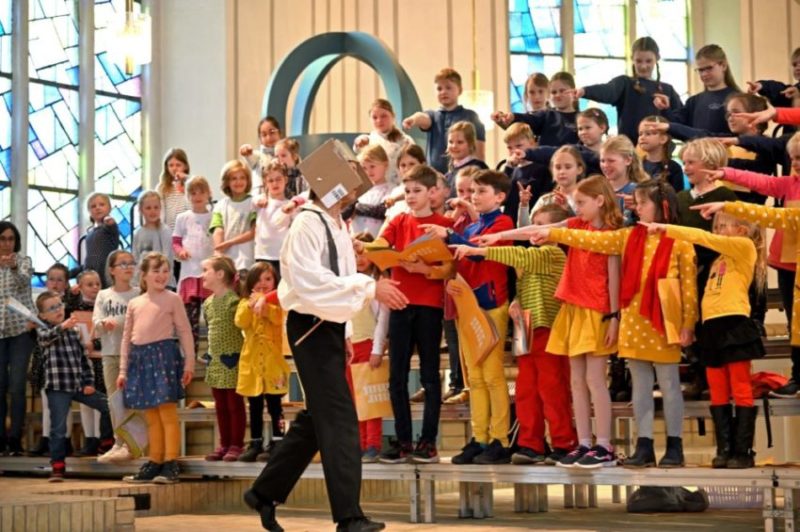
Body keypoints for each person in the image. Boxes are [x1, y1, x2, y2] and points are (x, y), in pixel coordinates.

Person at [243, 168, 408, 532]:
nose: (352, 193)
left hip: (329, 327)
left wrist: (346, 329)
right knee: (340, 419)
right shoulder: (306, 223)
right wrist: (369, 288)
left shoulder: (335, 224)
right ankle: (349, 517)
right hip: (310, 328)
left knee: (318, 420)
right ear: (329, 187)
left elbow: (337, 274)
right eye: (347, 186)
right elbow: (309, 281)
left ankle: (264, 492)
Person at [538, 181, 698, 468]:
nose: (636, 208)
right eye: (635, 202)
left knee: (670, 385)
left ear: (662, 206)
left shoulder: (681, 241)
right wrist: (549, 231)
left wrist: (688, 323)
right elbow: (593, 241)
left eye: (642, 203)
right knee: (640, 386)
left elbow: (688, 287)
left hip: (664, 322)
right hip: (634, 320)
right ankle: (644, 443)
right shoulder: (628, 236)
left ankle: (675, 444)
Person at [651, 200, 768, 469]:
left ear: (741, 230)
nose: (717, 231)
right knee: (717, 390)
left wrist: (668, 228)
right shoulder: (718, 260)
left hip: (734, 325)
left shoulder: (744, 247)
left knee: (740, 388)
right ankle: (724, 449)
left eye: (723, 226)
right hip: (712, 328)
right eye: (716, 226)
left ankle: (742, 450)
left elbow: (701, 237)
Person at [459, 203, 578, 465]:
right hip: (526, 329)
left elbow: (520, 257)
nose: (535, 232)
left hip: (547, 330)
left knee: (552, 389)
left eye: (541, 226)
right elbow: (525, 283)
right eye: (532, 226)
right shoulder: (535, 257)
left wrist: (481, 250)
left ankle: (563, 442)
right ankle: (531, 443)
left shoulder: (553, 254)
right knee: (526, 390)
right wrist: (515, 300)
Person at [355, 164, 453, 465]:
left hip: (429, 305)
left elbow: (451, 267)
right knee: (396, 375)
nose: (411, 197)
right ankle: (404, 441)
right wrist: (367, 247)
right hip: (399, 302)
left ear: (431, 193)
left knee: (429, 374)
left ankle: (428, 441)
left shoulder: (442, 223)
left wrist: (425, 269)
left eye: (417, 191)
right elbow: (381, 245)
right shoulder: (397, 220)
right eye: (407, 191)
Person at [530, 176, 623, 468]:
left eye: (581, 202)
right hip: (573, 309)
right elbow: (541, 229)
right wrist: (498, 238)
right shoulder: (576, 226)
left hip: (598, 311)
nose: (577, 208)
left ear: (600, 200)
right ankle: (584, 442)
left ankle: (604, 445)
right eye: (575, 202)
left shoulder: (611, 234)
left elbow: (615, 280)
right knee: (576, 381)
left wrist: (614, 318)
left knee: (595, 380)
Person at [702, 134, 800, 397]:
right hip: (788, 264)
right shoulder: (788, 184)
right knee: (795, 325)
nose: (796, 163)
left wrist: (731, 205)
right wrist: (726, 172)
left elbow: (774, 214)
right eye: (793, 158)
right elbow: (760, 182)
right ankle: (798, 376)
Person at [428, 169, 515, 464]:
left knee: (492, 376)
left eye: (481, 192)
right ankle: (480, 437)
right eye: (472, 192)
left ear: (500, 197)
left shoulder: (504, 223)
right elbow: (460, 247)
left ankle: (500, 439)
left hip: (491, 304)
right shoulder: (475, 225)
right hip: (468, 306)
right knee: (474, 378)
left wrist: (451, 235)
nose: (474, 197)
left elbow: (480, 251)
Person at [118, 252, 195, 484]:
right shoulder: (134, 303)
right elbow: (126, 338)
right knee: (150, 414)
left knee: (166, 412)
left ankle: (171, 462)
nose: (162, 275)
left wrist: (189, 362)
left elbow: (183, 331)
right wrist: (123, 370)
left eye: (165, 270)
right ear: (143, 275)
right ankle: (155, 460)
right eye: (156, 271)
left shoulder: (173, 299)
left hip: (163, 357)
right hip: (140, 360)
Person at [36, 291, 112, 482]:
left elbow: (83, 360)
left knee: (108, 405)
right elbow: (47, 338)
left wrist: (88, 382)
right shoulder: (42, 330)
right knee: (59, 428)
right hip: (58, 387)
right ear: (43, 316)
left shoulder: (74, 331)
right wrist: (63, 326)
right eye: (51, 308)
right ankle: (58, 466)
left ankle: (106, 442)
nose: (58, 310)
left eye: (59, 305)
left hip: (77, 384)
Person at [576, 36, 682, 141]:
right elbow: (608, 91)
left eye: (648, 61)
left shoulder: (668, 90)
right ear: (632, 58)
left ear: (657, 58)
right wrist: (585, 91)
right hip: (629, 149)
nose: (643, 66)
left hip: (659, 152)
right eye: (639, 61)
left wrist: (666, 109)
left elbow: (679, 123)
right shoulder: (625, 84)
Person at [236, 262, 290, 463]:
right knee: (255, 405)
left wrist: (264, 303)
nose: (263, 284)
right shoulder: (244, 302)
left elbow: (276, 318)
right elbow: (240, 321)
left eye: (268, 279)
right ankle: (256, 441)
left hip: (273, 364)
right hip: (252, 365)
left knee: (276, 406)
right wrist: (251, 305)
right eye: (258, 279)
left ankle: (278, 440)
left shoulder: (278, 304)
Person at [346, 233, 390, 463]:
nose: (359, 259)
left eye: (363, 253)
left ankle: (373, 443)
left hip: (367, 345)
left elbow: (383, 318)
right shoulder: (348, 282)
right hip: (350, 346)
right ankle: (360, 443)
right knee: (354, 399)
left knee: (370, 400)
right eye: (354, 255)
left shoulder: (379, 282)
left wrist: (377, 348)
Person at [94, 250, 138, 463]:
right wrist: (104, 324)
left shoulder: (138, 293)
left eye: (131, 263)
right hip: (111, 352)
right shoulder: (103, 295)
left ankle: (133, 444)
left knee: (133, 400)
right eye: (122, 264)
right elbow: (95, 323)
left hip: (133, 353)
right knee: (115, 400)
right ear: (111, 270)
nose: (128, 267)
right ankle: (118, 442)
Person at [201, 256, 246, 462]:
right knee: (220, 405)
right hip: (216, 361)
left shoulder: (234, 302)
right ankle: (224, 443)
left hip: (233, 359)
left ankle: (237, 443)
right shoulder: (208, 303)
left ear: (220, 274)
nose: (202, 275)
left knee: (234, 404)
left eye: (206, 270)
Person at [402, 67, 486, 173]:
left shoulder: (471, 116)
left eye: (448, 88)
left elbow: (479, 151)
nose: (443, 92)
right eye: (439, 89)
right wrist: (413, 119)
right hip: (436, 175)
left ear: (459, 90)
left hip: (464, 173)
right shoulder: (433, 115)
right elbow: (423, 118)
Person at [65, 269, 112, 457]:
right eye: (89, 284)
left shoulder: (106, 305)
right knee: (86, 401)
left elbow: (109, 331)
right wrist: (71, 296)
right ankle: (90, 439)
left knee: (100, 398)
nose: (94, 288)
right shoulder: (75, 306)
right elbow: (66, 320)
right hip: (83, 359)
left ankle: (103, 438)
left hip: (101, 357)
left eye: (97, 284)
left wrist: (95, 343)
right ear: (80, 287)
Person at [28, 263, 71, 457]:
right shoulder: (41, 303)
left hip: (64, 361)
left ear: (66, 283)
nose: (55, 283)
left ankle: (65, 441)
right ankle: (46, 439)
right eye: (51, 279)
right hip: (45, 359)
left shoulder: (69, 304)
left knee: (64, 403)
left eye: (60, 279)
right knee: (47, 402)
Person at [0, 221, 35, 456]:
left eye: (11, 239)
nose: (7, 243)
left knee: (17, 386)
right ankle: (1, 439)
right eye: (2, 238)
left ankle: (15, 439)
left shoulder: (23, 261)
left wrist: (12, 267)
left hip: (21, 330)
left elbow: (24, 281)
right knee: (0, 387)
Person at [172, 176, 214, 350]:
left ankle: (212, 354)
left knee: (212, 317)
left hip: (208, 274)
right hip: (189, 273)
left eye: (201, 192)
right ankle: (190, 353)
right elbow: (175, 240)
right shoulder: (183, 217)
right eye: (193, 193)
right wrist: (180, 251)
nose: (197, 196)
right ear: (187, 196)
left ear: (208, 194)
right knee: (190, 319)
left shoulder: (214, 215)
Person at [664, 44, 740, 135]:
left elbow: (741, 135)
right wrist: (665, 109)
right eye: (700, 70)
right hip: (698, 148)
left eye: (709, 68)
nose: (704, 74)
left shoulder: (738, 99)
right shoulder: (693, 101)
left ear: (723, 65)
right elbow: (676, 127)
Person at [494, 71, 579, 147]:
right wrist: (512, 117)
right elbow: (530, 119)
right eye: (554, 92)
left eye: (562, 91)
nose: (557, 95)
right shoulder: (546, 116)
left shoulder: (581, 118)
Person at [353, 98, 415, 186]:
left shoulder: (406, 141)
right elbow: (358, 152)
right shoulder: (368, 140)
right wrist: (359, 142)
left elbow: (415, 166)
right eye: (375, 117)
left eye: (383, 116)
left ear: (393, 116)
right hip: (376, 188)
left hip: (399, 188)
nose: (379, 121)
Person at [501, 122, 552, 226]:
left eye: (519, 145)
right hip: (510, 223)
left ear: (532, 143)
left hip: (531, 223)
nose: (514, 151)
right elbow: (500, 193)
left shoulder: (542, 169)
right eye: (509, 148)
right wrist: (508, 168)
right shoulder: (511, 170)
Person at [210, 160, 257, 272]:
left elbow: (253, 232)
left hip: (247, 259)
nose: (238, 182)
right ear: (227, 182)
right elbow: (218, 230)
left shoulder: (254, 203)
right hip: (227, 262)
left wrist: (229, 243)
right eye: (234, 178)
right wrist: (218, 252)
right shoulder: (220, 205)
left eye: (242, 178)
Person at [253, 160, 292, 273]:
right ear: (265, 183)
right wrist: (259, 200)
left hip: (282, 255)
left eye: (278, 179)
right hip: (262, 254)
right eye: (270, 180)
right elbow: (252, 202)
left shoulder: (290, 204)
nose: (275, 184)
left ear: (286, 179)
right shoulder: (261, 200)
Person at [599, 135, 648, 226]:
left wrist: (638, 208)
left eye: (611, 161)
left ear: (628, 160)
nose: (605, 165)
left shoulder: (638, 190)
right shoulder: (598, 188)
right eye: (602, 161)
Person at [346, 145, 392, 237]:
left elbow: (388, 213)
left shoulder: (393, 190)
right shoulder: (357, 188)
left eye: (372, 166)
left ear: (385, 165)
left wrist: (359, 208)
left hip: (378, 240)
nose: (368, 171)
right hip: (356, 238)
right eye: (364, 168)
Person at [133, 190, 176, 288]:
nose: (153, 211)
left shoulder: (164, 230)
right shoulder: (137, 233)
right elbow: (135, 259)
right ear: (141, 210)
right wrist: (136, 281)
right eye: (148, 208)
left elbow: (167, 258)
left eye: (156, 207)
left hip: (162, 282)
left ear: (160, 209)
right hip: (144, 282)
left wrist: (162, 279)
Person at [82, 192, 120, 287]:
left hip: (105, 274)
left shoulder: (108, 228)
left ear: (109, 208)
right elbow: (90, 258)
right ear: (89, 211)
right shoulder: (90, 234)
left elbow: (112, 226)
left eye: (102, 205)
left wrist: (110, 222)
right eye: (93, 206)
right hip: (91, 275)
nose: (97, 208)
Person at [638, 116, 685, 192]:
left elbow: (677, 199)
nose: (642, 137)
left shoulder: (674, 168)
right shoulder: (636, 166)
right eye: (640, 134)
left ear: (663, 139)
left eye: (648, 133)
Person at [443, 121, 489, 191]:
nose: (454, 146)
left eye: (460, 142)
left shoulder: (479, 169)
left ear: (470, 144)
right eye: (451, 142)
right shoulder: (448, 175)